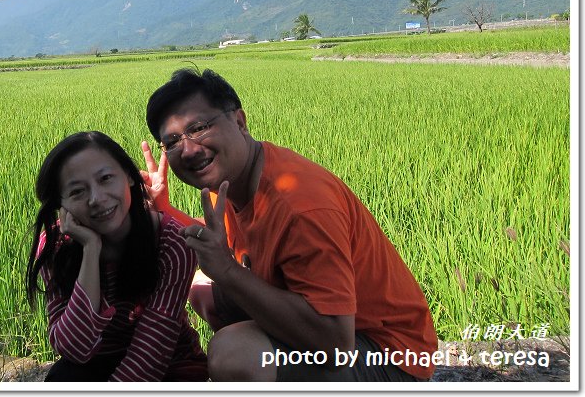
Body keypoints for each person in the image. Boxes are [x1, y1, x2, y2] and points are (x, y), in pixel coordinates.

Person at [141, 68, 438, 382]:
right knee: (203, 289)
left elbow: (336, 344)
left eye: (198, 128)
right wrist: (164, 209)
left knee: (233, 353)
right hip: (336, 332)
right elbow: (214, 238)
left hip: (390, 355)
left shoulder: (300, 204)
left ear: (239, 122)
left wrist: (227, 271)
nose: (187, 149)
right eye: (172, 142)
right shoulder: (237, 181)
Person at [25, 131, 208, 382]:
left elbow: (151, 354)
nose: (97, 199)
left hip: (169, 366)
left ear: (129, 178)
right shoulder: (56, 246)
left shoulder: (171, 241)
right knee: (63, 377)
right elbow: (73, 350)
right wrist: (90, 249)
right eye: (77, 191)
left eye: (106, 178)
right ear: (61, 203)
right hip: (95, 363)